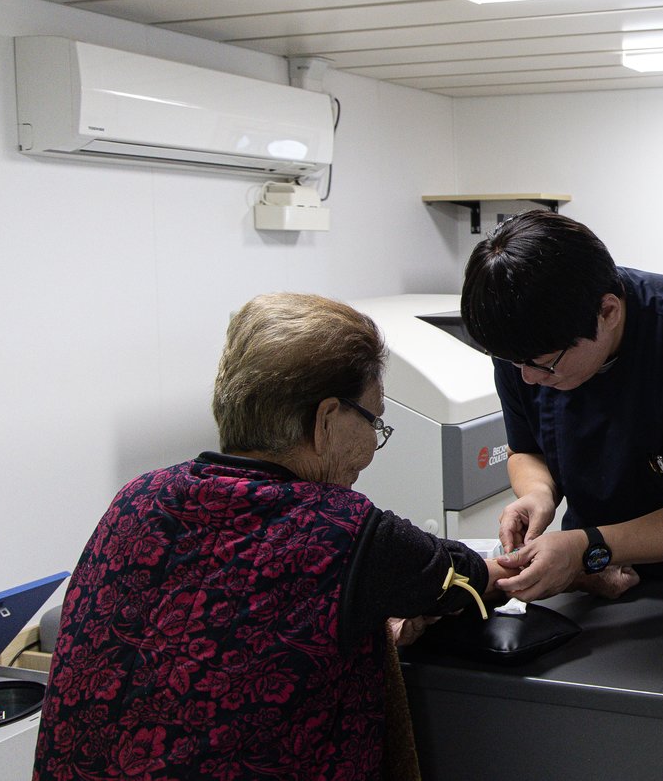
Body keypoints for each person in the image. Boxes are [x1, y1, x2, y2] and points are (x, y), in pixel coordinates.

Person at [34, 292, 513, 781]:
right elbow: (471, 578)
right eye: (374, 421)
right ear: (326, 420)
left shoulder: (136, 498)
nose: (374, 443)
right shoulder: (344, 529)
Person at [460, 210, 663, 603]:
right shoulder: (525, 346)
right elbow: (525, 450)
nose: (526, 378)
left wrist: (586, 547)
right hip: (594, 570)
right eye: (515, 364)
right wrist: (538, 494)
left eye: (544, 366)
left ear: (608, 312)